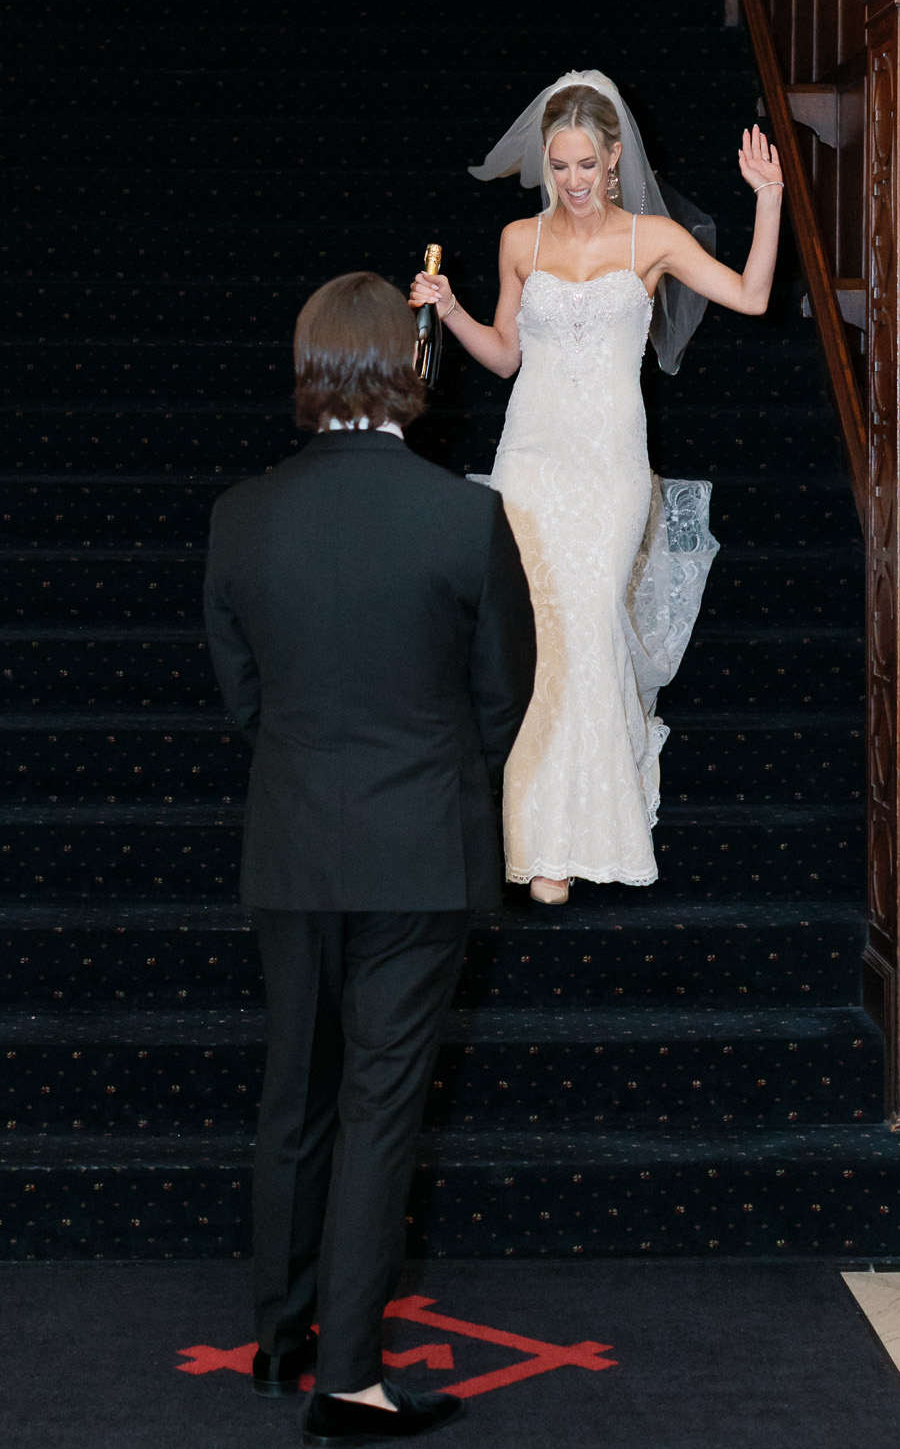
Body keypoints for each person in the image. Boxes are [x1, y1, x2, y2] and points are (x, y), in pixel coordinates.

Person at [204, 271, 536, 1444]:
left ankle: (278, 1338)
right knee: (378, 1106)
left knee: (292, 1089)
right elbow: (504, 694)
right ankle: (346, 1380)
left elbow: (241, 695)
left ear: (309, 367)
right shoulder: (462, 516)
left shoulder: (242, 514)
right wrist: (435, 777)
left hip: (292, 838)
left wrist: (312, 771)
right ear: (411, 364)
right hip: (419, 848)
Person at [410, 71, 783, 906]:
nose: (573, 181)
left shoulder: (653, 239)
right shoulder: (519, 239)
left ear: (614, 159)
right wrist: (452, 308)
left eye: (586, 164)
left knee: (586, 619)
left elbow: (753, 297)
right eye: (559, 166)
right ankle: (538, 839)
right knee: (535, 633)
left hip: (611, 465)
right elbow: (506, 356)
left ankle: (588, 829)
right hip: (531, 460)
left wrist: (769, 199)